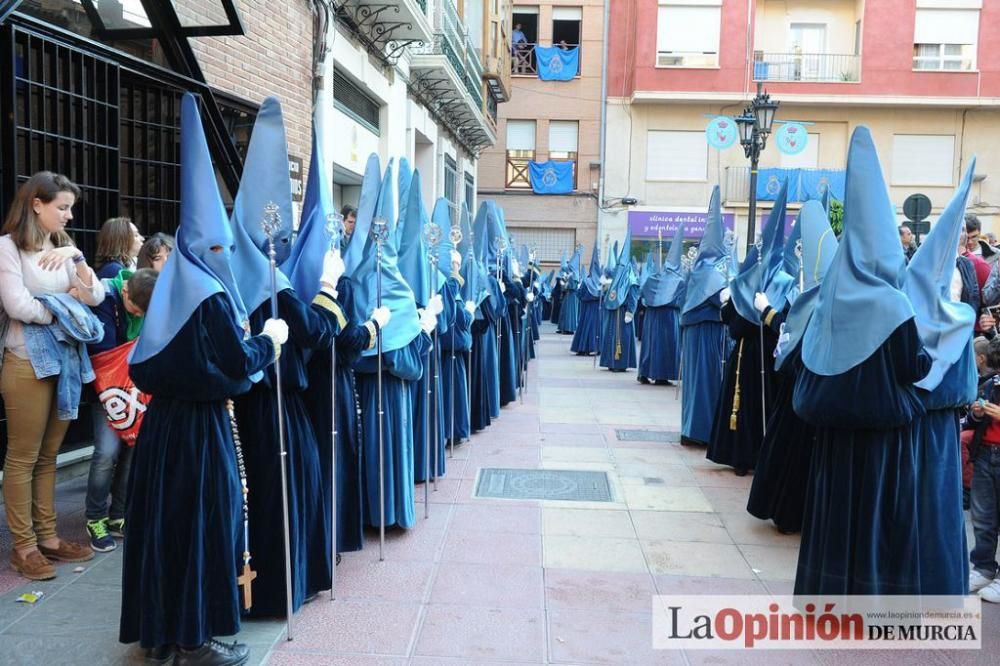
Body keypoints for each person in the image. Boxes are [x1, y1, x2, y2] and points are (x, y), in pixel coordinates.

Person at [119, 94, 286, 664]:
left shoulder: (169, 290)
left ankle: (162, 632)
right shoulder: (211, 298)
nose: (223, 253)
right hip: (202, 431)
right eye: (218, 245)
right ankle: (195, 640)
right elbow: (236, 366)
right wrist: (270, 343)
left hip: (163, 433)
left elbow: (146, 366)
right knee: (204, 530)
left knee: (165, 531)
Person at [793, 127, 964, 596]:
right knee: (877, 523)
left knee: (834, 517)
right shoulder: (893, 304)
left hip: (833, 436)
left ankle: (824, 597)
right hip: (883, 441)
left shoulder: (830, 293)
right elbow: (913, 368)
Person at [1, 171, 105, 581]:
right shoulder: (8, 248)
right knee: (23, 457)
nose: (69, 215)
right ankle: (23, 547)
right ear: (36, 204)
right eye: (62, 207)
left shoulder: (64, 247)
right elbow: (18, 306)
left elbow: (95, 297)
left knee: (49, 457)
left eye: (70, 208)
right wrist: (67, 310)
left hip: (65, 363)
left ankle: (48, 537)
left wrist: (77, 259)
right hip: (26, 360)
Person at [748, 202, 838, 534]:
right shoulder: (811, 293)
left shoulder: (823, 300)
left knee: (798, 455)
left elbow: (794, 332)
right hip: (798, 386)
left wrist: (769, 314)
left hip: (808, 387)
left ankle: (790, 512)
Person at [708, 181, 790, 475]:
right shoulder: (748, 277)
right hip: (743, 350)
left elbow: (786, 325)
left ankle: (758, 457)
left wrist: (766, 310)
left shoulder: (785, 282)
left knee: (760, 406)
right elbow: (732, 323)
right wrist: (729, 302)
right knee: (738, 405)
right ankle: (738, 456)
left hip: (768, 356)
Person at [84, 268, 158, 552]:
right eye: (135, 310)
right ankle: (95, 518)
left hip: (135, 388)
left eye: (143, 313)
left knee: (131, 449)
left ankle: (119, 515)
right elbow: (102, 347)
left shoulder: (146, 297)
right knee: (106, 453)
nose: (138, 316)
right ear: (125, 291)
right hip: (107, 391)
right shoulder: (104, 297)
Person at [679, 187, 731, 447]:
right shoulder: (712, 272)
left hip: (695, 333)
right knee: (706, 382)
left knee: (694, 383)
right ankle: (703, 431)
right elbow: (723, 298)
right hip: (708, 333)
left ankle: (690, 428)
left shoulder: (698, 269)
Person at [638, 224, 685, 385]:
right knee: (665, 346)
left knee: (650, 345)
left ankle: (644, 373)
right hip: (669, 318)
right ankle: (661, 375)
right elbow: (681, 301)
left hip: (652, 317)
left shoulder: (655, 277)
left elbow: (643, 293)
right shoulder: (679, 280)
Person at [599, 232, 639, 373]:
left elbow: (633, 296)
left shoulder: (630, 279)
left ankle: (620, 364)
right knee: (610, 336)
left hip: (623, 313)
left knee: (622, 338)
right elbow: (609, 295)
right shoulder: (616, 278)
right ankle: (610, 361)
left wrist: (630, 312)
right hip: (612, 312)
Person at [570, 241, 602, 356]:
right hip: (598, 310)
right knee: (596, 328)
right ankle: (597, 347)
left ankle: (584, 347)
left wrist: (579, 290)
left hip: (586, 309)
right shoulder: (601, 282)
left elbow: (579, 295)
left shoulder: (586, 281)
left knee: (585, 327)